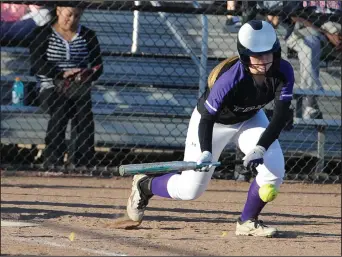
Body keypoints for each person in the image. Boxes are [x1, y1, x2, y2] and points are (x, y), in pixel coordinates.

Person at [119, 20, 295, 237]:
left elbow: (279, 117)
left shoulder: (284, 71)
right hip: (213, 124)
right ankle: (145, 185)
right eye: (256, 56)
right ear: (244, 55)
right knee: (190, 190)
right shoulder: (230, 79)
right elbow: (207, 118)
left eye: (268, 54)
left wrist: (260, 148)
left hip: (250, 118)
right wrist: (205, 151)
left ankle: (247, 221)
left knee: (274, 169)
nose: (263, 61)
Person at [29, 5, 103, 167]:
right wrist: (61, 74)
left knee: (84, 114)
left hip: (78, 86)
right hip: (51, 85)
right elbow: (37, 64)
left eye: (77, 16)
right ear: (58, 10)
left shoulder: (88, 35)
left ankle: (83, 161)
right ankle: (53, 159)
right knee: (60, 107)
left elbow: (98, 65)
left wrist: (87, 73)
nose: (72, 20)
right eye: (69, 15)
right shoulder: (43, 34)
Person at [286, 1, 341, 119]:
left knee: (331, 26)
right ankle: (310, 102)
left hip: (334, 37)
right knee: (310, 45)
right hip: (306, 33)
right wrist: (327, 33)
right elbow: (294, 17)